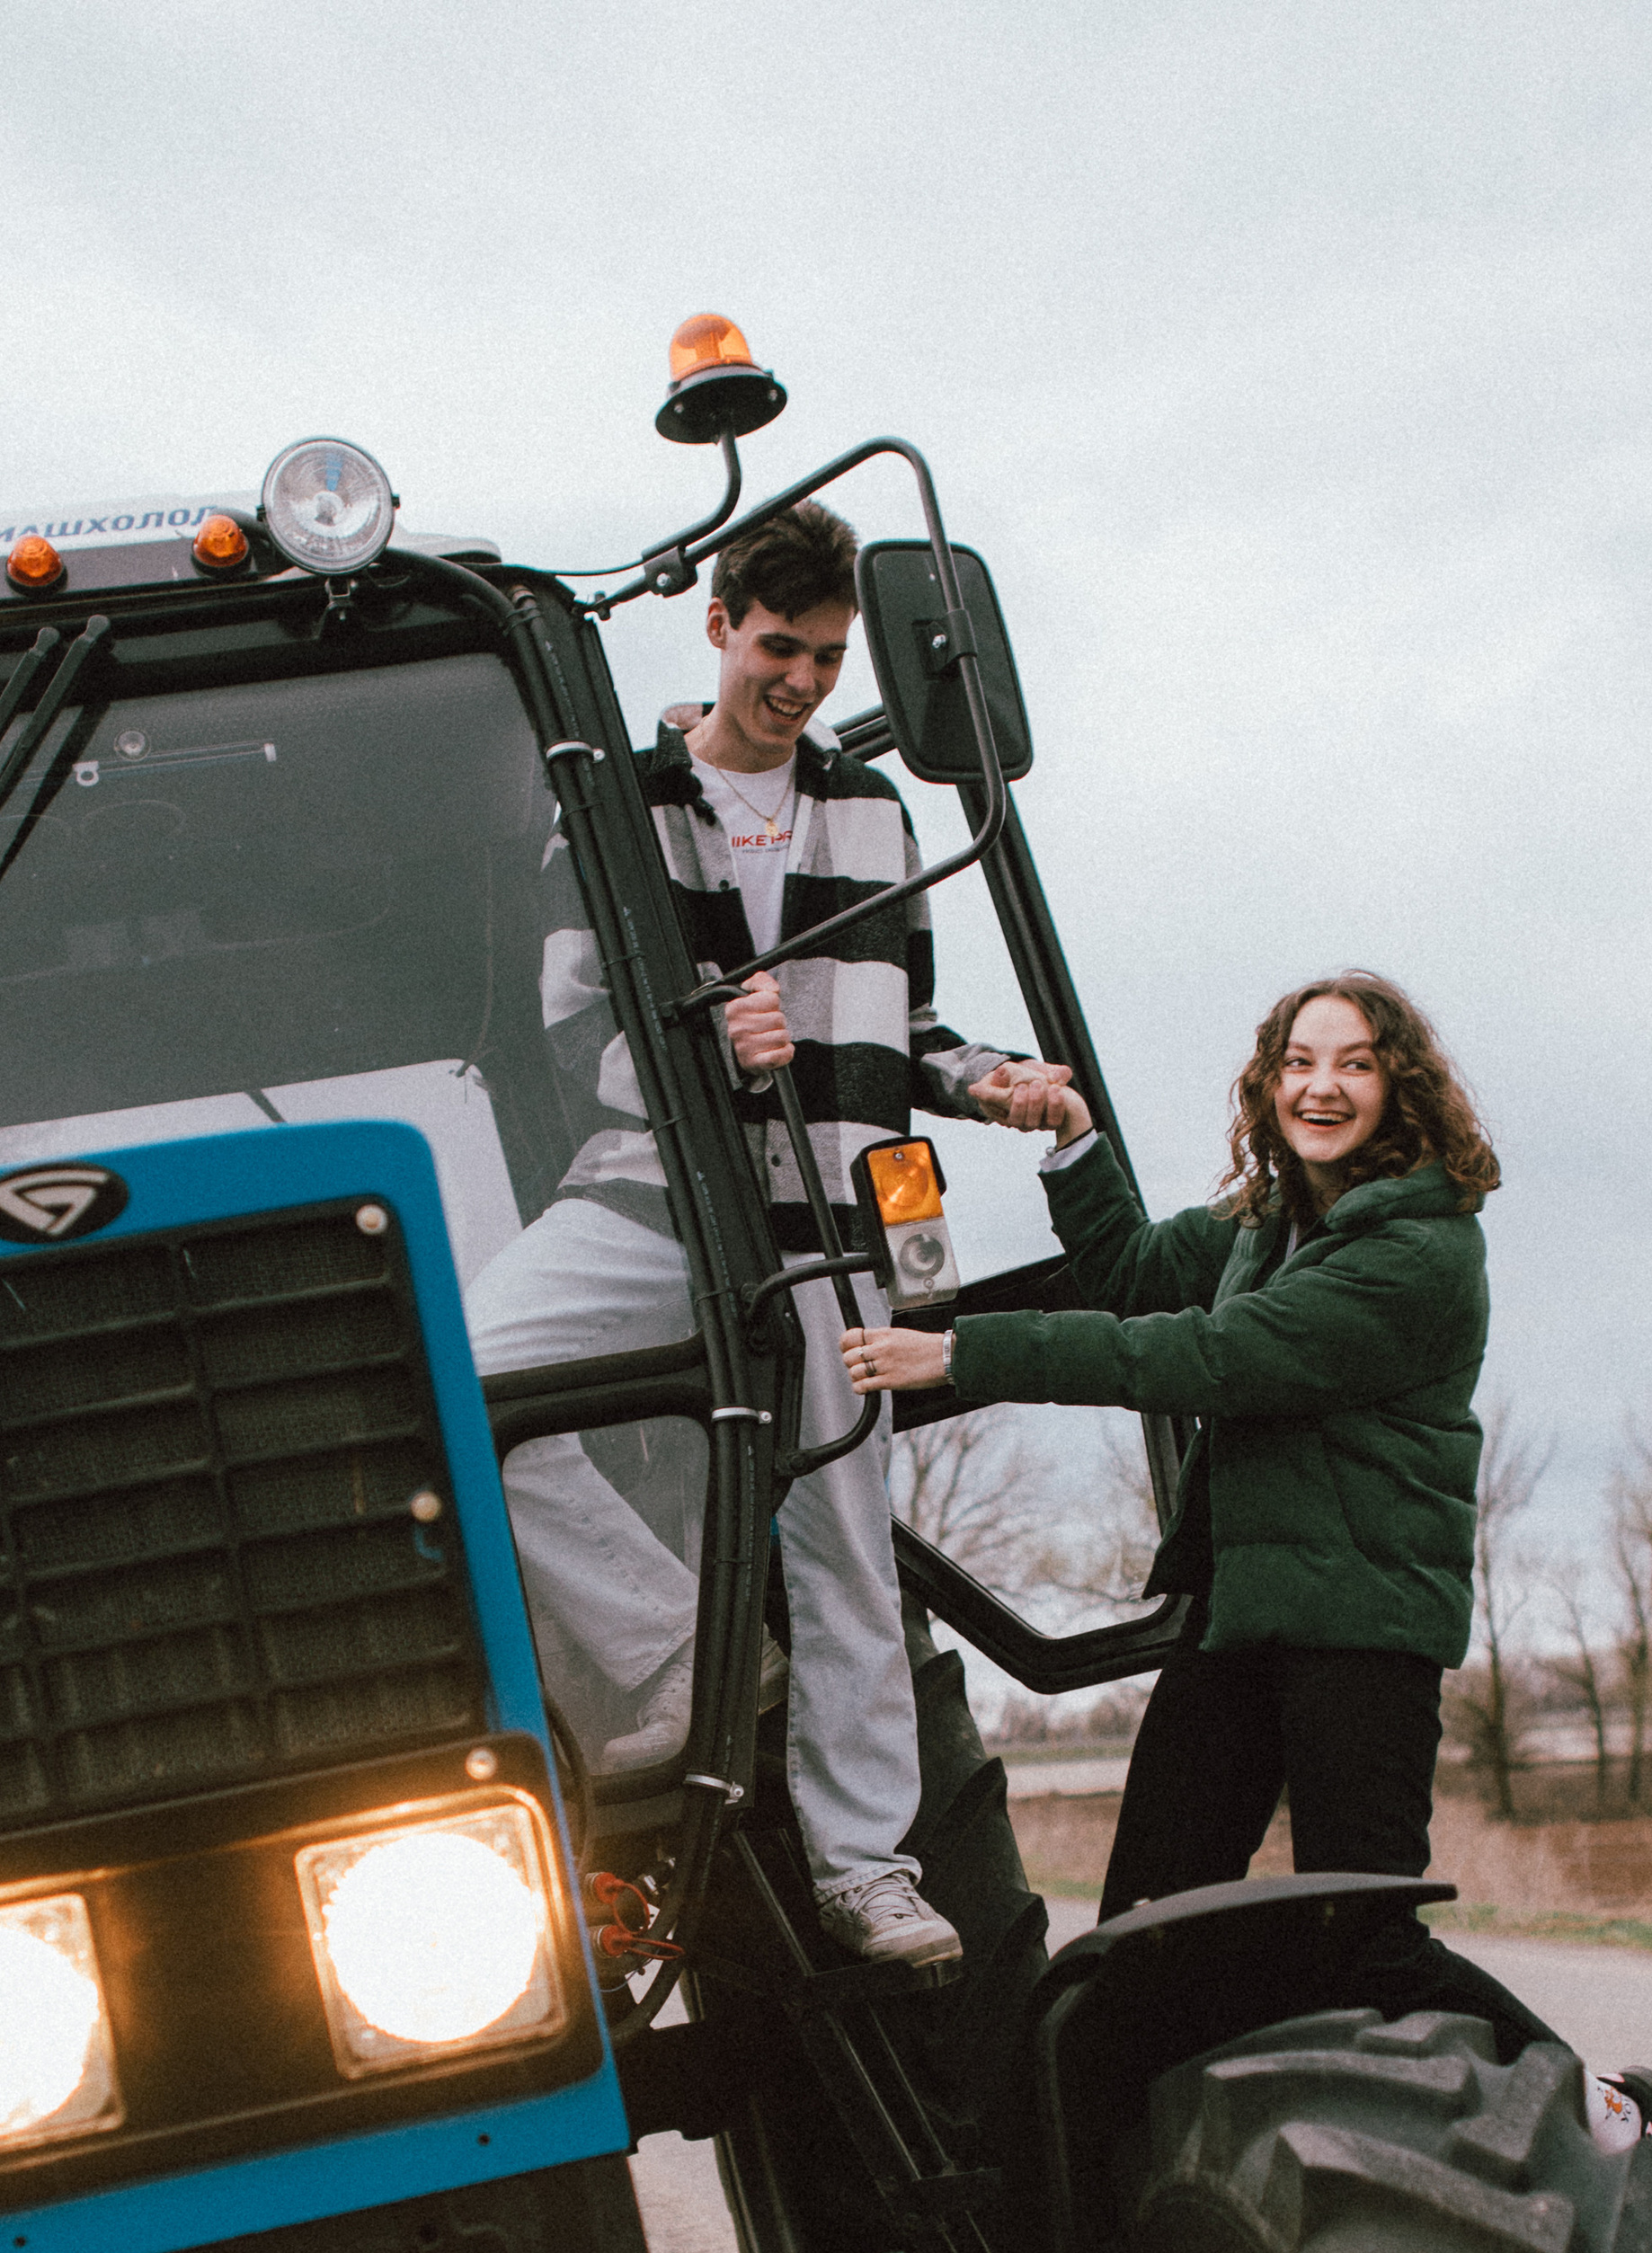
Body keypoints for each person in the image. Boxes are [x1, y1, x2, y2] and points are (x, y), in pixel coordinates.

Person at [460, 500, 1075, 1968]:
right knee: (479, 1376)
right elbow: (574, 1025)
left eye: (827, 655)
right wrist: (697, 1050)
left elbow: (903, 1025)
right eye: (779, 647)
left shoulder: (873, 812)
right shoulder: (616, 805)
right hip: (658, 1192)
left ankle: (867, 1869)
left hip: (826, 1224)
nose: (800, 679)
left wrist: (999, 1087)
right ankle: (672, 1657)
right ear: (723, 625)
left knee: (846, 1537)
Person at [837, 971, 1549, 2050]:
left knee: (1364, 1940)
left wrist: (958, 1351)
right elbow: (1129, 1274)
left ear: (1400, 1089)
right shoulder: (1270, 1223)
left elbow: (1203, 1356)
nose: (1322, 1087)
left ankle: (1589, 2113)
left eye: (1355, 1064)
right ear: (1269, 1084)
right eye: (1300, 1062)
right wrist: (1071, 1135)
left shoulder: (1418, 1253)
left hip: (1358, 1629)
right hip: (1243, 1614)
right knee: (1145, 1938)